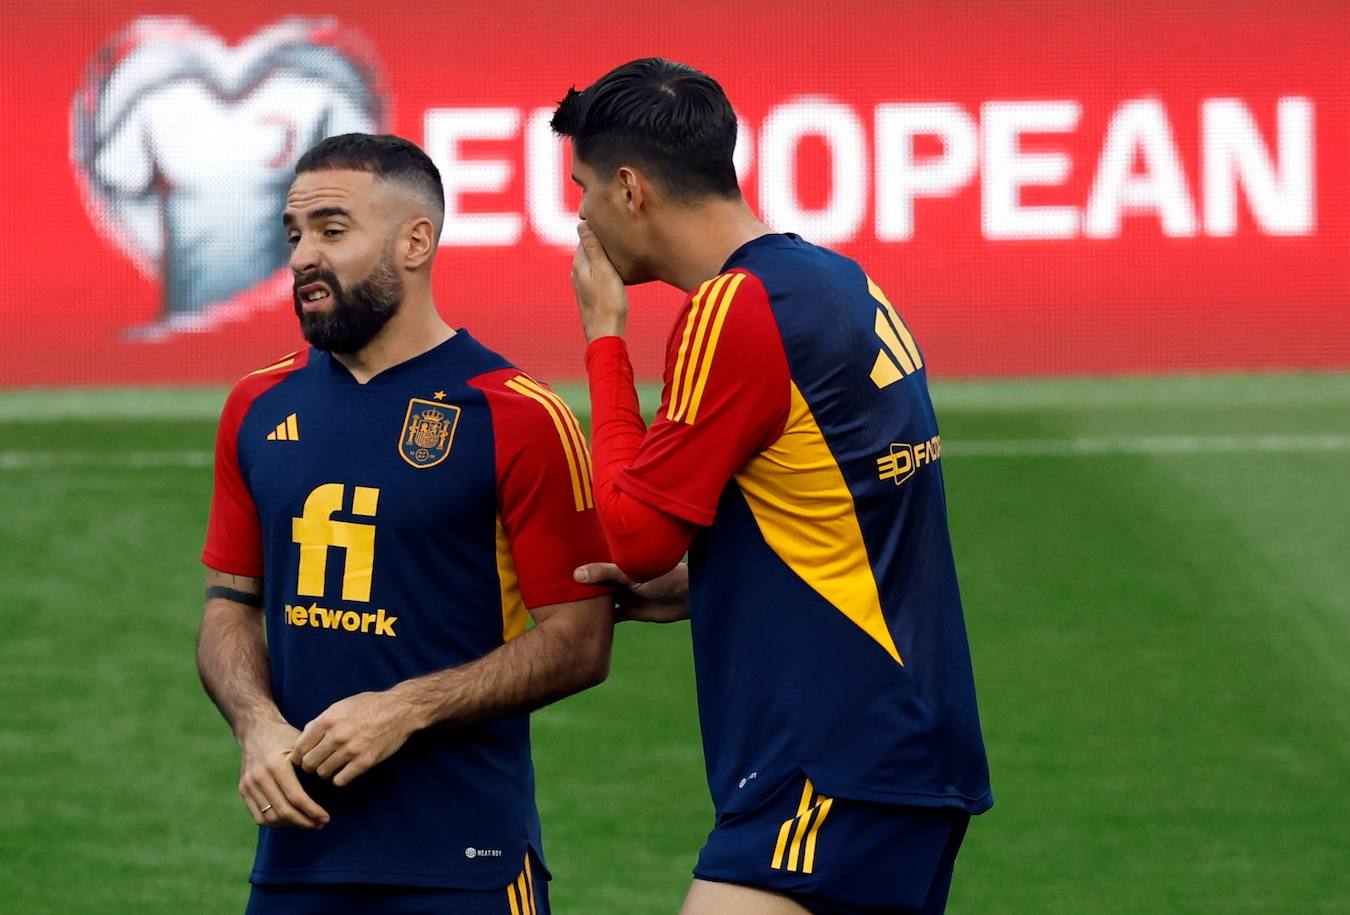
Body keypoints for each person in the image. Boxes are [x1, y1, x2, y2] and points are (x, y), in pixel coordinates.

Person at [552, 60, 993, 915]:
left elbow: (634, 535)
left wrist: (604, 339)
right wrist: (712, 579)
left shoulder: (734, 308)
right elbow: (841, 509)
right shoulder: (836, 281)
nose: (580, 215)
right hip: (906, 749)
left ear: (632, 189)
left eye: (586, 188)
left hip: (829, 761)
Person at [196, 132, 612, 915]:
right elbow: (229, 605)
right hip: (296, 861)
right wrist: (255, 723)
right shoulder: (256, 406)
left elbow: (580, 641)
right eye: (294, 235)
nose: (303, 258)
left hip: (467, 865)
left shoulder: (517, 415)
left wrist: (406, 706)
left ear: (416, 240)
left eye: (332, 229)